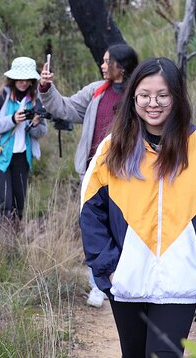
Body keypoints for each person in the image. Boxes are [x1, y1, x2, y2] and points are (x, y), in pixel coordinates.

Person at [79, 57, 196, 357]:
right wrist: (110, 268)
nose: (154, 103)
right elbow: (90, 212)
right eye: (144, 95)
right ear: (133, 98)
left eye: (163, 95)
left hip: (180, 283)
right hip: (124, 282)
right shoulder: (112, 148)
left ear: (177, 97)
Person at [38, 43, 139, 308]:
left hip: (129, 175)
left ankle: (128, 280)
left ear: (121, 66)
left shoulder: (139, 94)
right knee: (95, 229)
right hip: (94, 174)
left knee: (126, 228)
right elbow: (66, 108)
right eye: (103, 61)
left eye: (108, 61)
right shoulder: (95, 92)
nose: (103, 65)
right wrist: (47, 89)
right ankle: (99, 285)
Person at [0, 56, 47, 223]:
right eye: (19, 78)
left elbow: (42, 132)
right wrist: (12, 120)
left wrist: (35, 124)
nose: (23, 82)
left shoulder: (37, 100)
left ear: (32, 80)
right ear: (12, 78)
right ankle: (2, 243)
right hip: (0, 157)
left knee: (19, 204)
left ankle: (14, 241)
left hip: (23, 158)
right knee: (3, 203)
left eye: (27, 79)